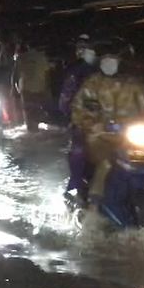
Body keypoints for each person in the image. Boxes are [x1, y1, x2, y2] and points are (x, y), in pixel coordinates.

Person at [71, 44, 144, 202]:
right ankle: (94, 205)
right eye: (105, 60)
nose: (109, 63)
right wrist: (92, 124)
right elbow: (78, 110)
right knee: (104, 163)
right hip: (101, 138)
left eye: (113, 59)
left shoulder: (135, 85)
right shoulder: (92, 84)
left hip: (131, 139)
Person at [58, 35, 98, 200]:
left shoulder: (104, 72)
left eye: (85, 47)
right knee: (79, 152)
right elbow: (66, 99)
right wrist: (73, 117)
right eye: (80, 47)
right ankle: (76, 187)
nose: (82, 51)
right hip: (83, 123)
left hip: (111, 124)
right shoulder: (75, 72)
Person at [13, 39, 52, 130]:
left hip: (26, 89)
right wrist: (47, 88)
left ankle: (30, 128)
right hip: (39, 88)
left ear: (27, 46)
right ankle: (36, 128)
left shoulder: (21, 57)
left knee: (28, 111)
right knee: (37, 110)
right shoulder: (42, 57)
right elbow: (47, 74)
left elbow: (15, 75)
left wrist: (14, 88)